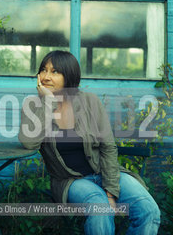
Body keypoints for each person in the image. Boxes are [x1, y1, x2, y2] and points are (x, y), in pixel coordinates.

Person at [18, 50, 160, 235]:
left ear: (69, 75)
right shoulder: (33, 105)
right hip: (71, 181)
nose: (46, 77)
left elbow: (108, 146)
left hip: (105, 173)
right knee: (99, 208)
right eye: (43, 70)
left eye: (54, 72)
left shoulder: (90, 102)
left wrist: (110, 192)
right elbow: (29, 143)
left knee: (148, 211)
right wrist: (49, 102)